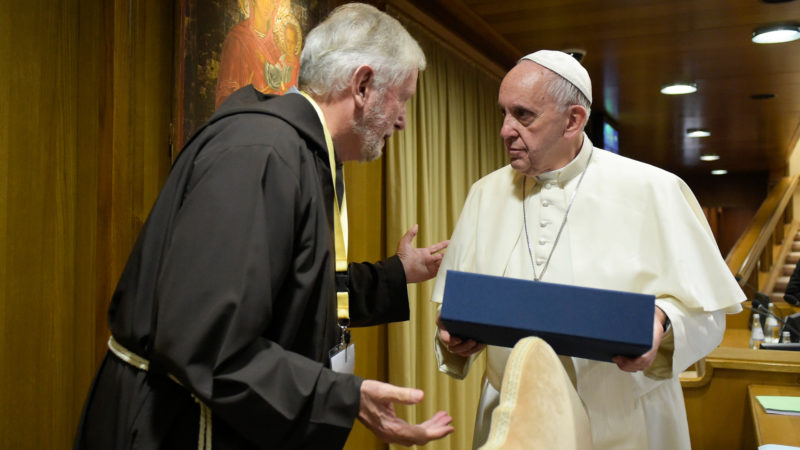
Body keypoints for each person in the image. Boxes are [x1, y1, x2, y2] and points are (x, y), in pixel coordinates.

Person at [75, 4, 454, 449]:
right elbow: (208, 342)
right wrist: (342, 397)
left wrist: (398, 274)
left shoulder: (302, 152)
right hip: (175, 427)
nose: (403, 119)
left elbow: (300, 293)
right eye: (403, 98)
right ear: (363, 85)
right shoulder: (263, 154)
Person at [432, 50, 745, 450]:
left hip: (625, 420)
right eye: (504, 113)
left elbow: (710, 314)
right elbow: (451, 308)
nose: (505, 129)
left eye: (523, 115)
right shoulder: (483, 194)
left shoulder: (654, 190)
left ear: (574, 120)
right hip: (514, 422)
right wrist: (453, 337)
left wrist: (661, 322)